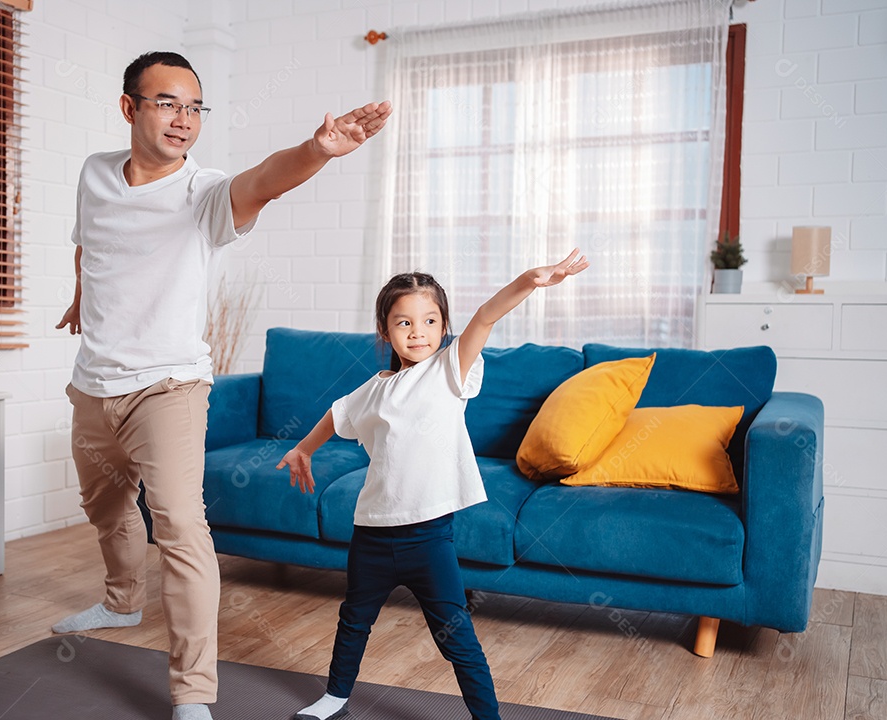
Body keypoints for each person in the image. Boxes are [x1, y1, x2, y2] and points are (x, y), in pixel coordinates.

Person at [52, 50, 391, 720]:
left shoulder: (201, 193)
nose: (184, 119)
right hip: (92, 383)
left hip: (168, 387)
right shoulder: (95, 172)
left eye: (195, 107)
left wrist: (315, 151)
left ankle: (193, 693)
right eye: (168, 103)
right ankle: (122, 603)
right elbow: (88, 241)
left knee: (179, 524)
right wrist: (80, 295)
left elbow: (262, 182)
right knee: (106, 505)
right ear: (130, 109)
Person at [277, 251, 589, 720]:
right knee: (354, 619)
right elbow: (336, 413)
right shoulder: (374, 388)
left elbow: (485, 317)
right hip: (372, 533)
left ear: (444, 328)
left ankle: (489, 716)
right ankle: (336, 696)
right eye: (403, 323)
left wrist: (528, 280)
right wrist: (303, 449)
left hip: (428, 537)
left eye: (428, 320)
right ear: (385, 331)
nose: (417, 331)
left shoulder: (449, 371)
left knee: (455, 636)